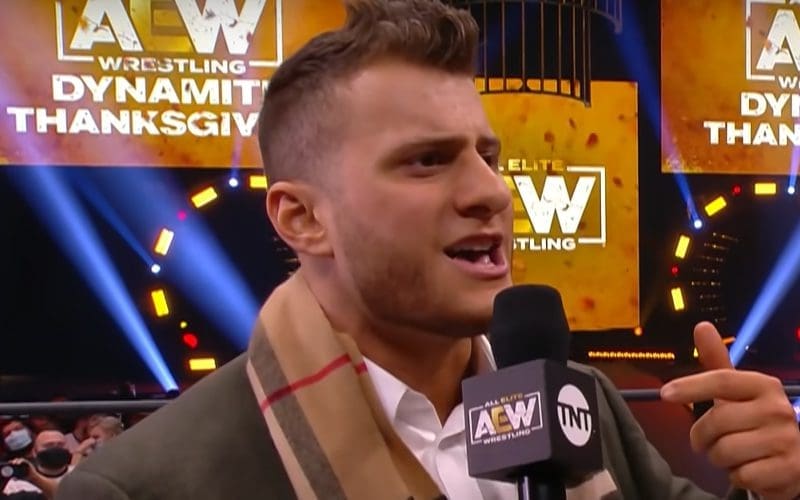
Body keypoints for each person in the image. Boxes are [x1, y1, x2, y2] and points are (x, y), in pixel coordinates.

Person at [56, 0, 800, 499]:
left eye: (488, 156)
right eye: (427, 160)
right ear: (302, 219)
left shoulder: (582, 402)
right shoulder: (147, 484)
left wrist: (778, 486)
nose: (492, 192)